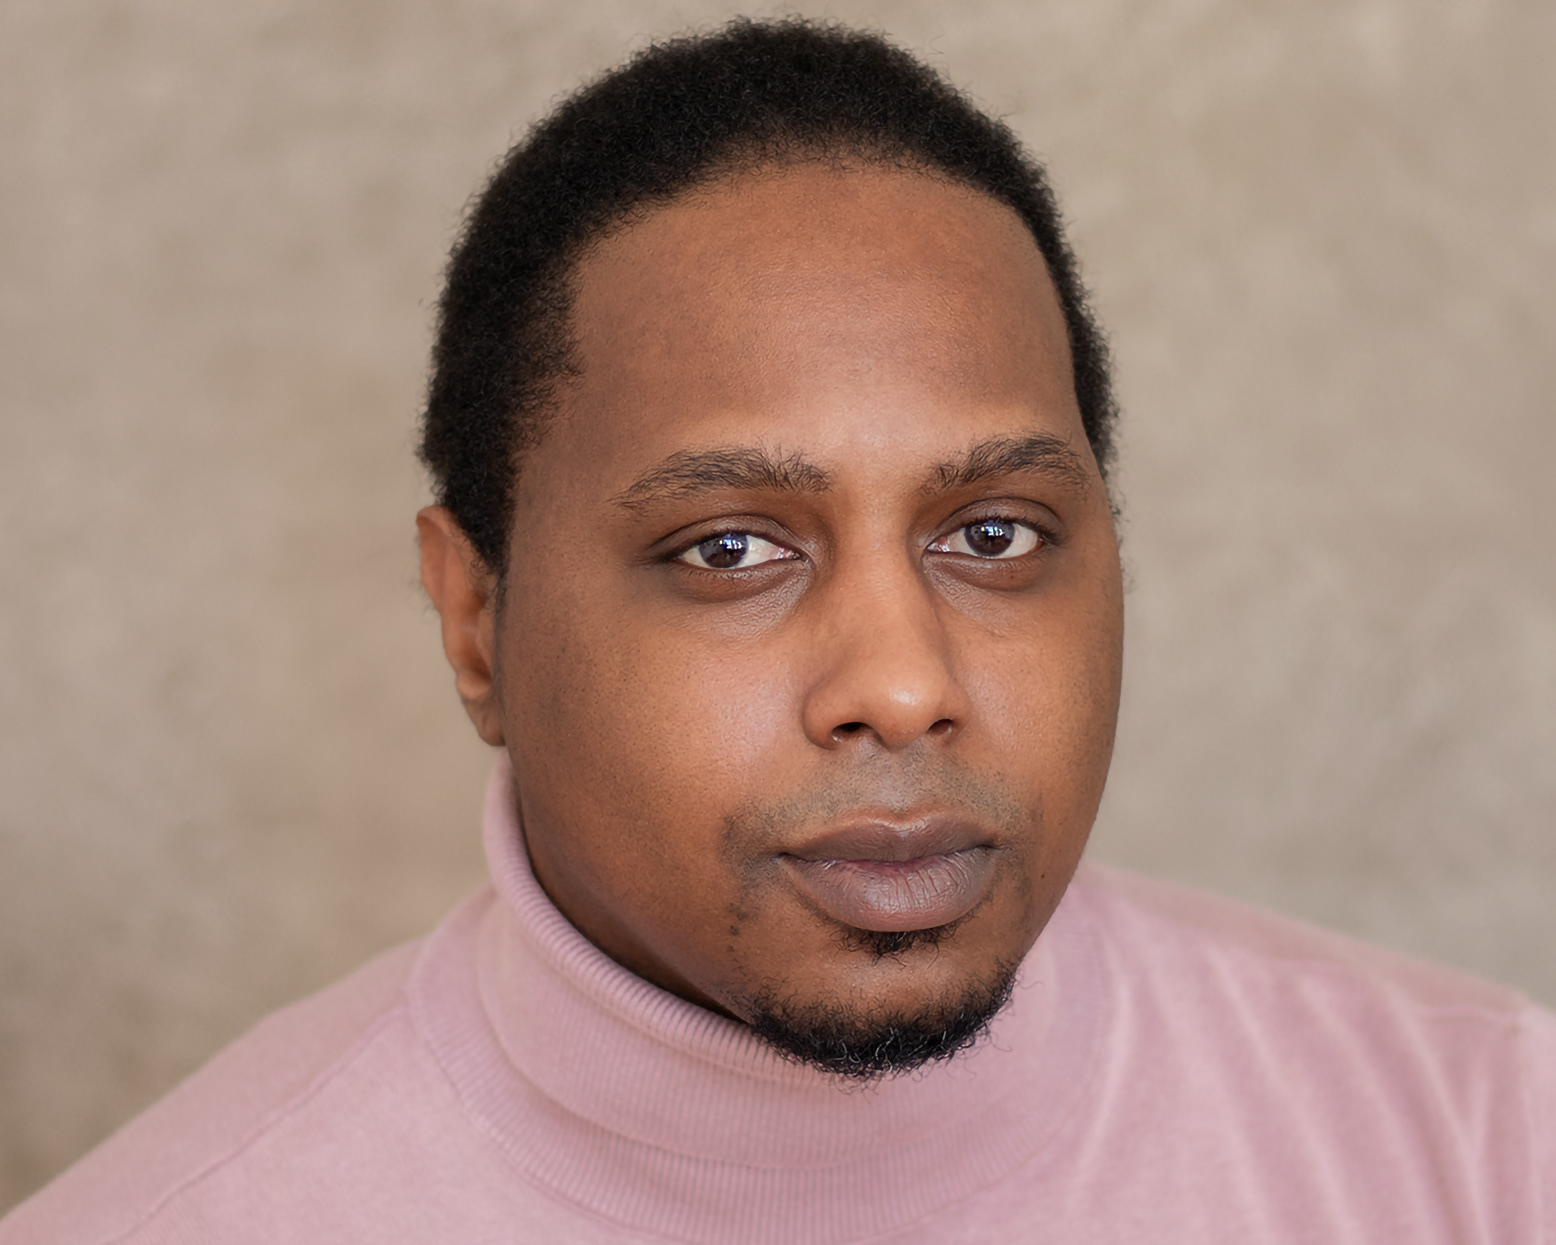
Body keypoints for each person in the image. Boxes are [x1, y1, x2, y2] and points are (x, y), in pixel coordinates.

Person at [3, 18, 1552, 1244]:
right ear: (474, 621)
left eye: (994, 534)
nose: (905, 684)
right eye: (730, 548)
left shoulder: (1485, 1149)